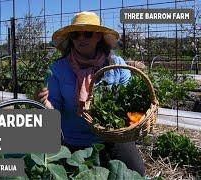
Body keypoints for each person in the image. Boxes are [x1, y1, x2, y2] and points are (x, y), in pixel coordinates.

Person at [35, 11, 145, 176]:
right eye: (75, 35)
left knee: (136, 172)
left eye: (87, 34)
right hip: (72, 140)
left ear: (98, 37)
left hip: (112, 136)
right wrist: (46, 104)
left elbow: (128, 103)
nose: (81, 39)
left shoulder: (117, 66)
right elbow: (54, 112)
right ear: (70, 38)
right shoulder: (57, 70)